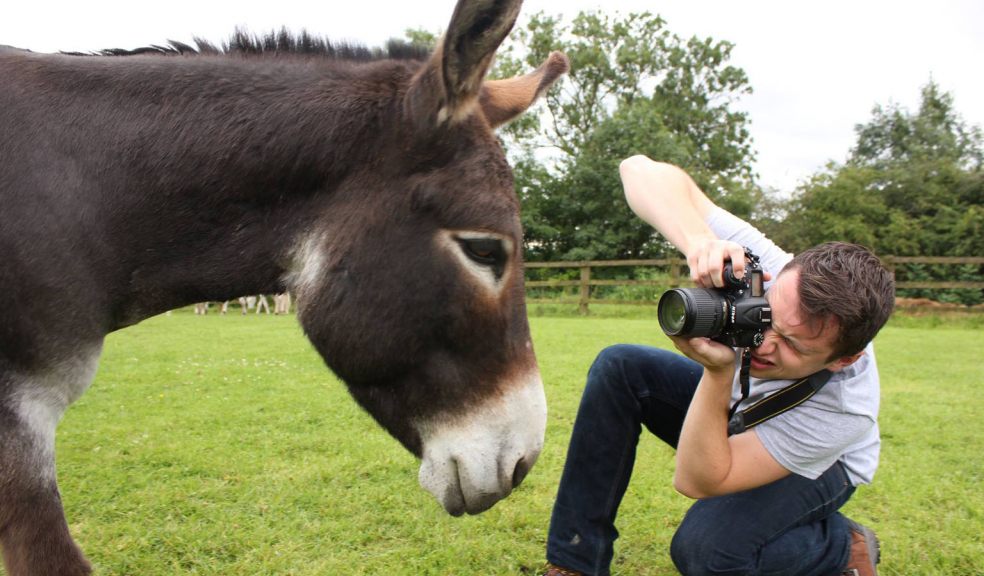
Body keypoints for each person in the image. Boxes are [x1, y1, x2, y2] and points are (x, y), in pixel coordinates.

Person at [542, 156, 894, 576]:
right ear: (783, 278)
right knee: (621, 366)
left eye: (793, 345)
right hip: (745, 408)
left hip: (821, 466)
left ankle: (839, 547)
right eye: (766, 315)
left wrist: (718, 371)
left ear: (843, 359)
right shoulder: (768, 269)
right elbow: (636, 169)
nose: (762, 343)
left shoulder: (843, 409)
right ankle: (575, 563)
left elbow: (699, 480)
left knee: (708, 552)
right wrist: (697, 241)